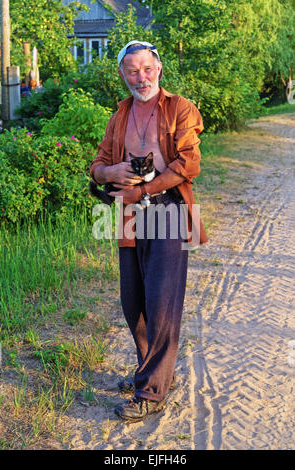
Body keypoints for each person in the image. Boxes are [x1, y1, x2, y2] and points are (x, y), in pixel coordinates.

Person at [90, 40, 208, 422]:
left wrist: (142, 188)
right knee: (133, 302)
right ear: (123, 75)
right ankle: (151, 370)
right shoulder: (119, 114)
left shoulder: (180, 108)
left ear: (158, 69)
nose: (140, 77)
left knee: (162, 302)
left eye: (146, 69)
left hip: (169, 209)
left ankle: (152, 391)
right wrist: (111, 173)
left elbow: (188, 164)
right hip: (128, 214)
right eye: (132, 70)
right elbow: (98, 164)